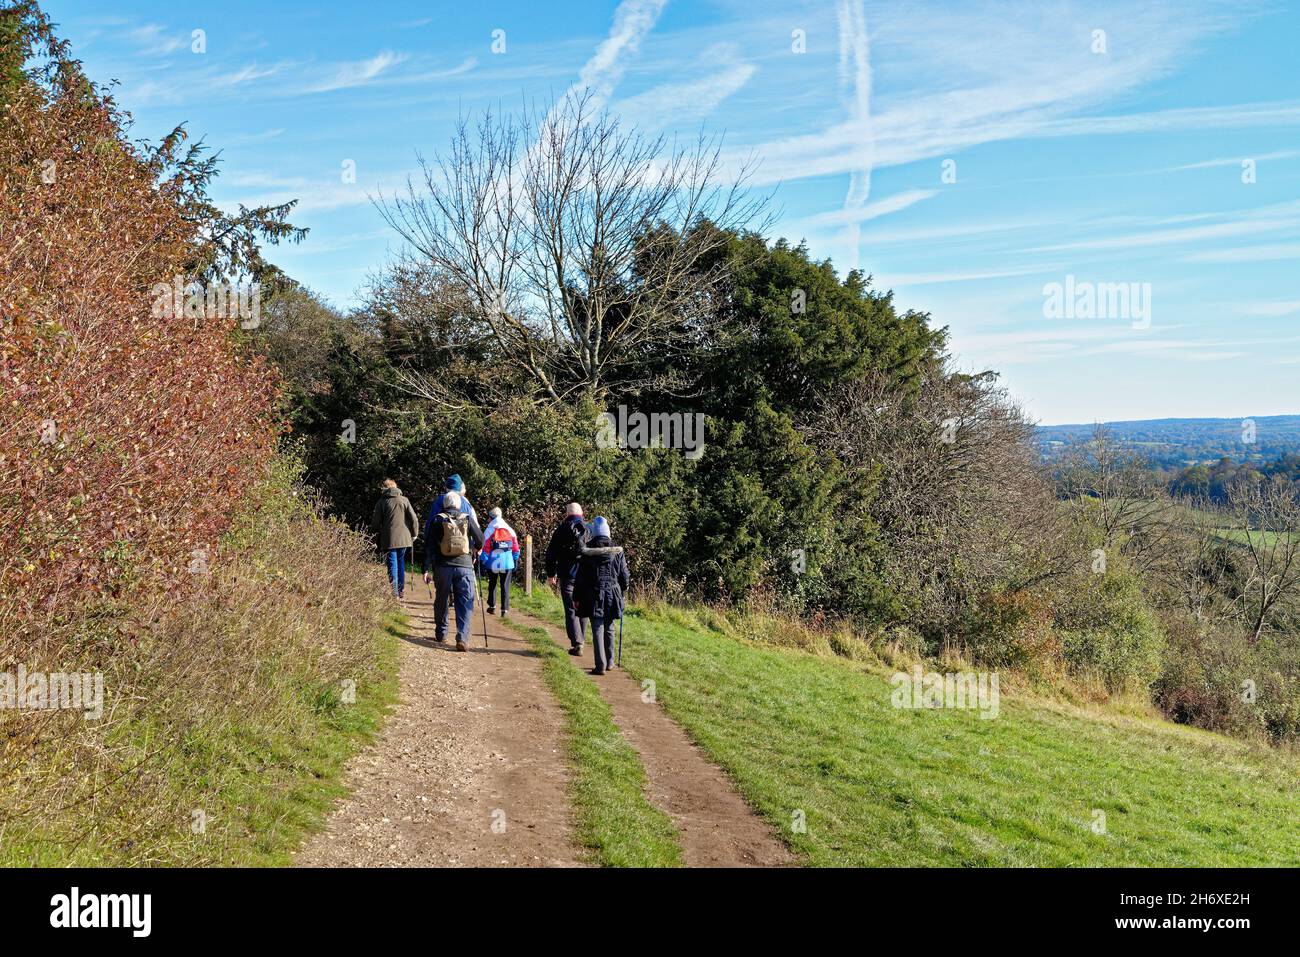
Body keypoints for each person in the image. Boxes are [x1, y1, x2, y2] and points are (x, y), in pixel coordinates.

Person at [422, 490, 484, 651]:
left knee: (441, 599)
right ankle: (462, 637)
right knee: (464, 601)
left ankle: (442, 633)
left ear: (444, 505)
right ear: (458, 504)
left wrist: (426, 569)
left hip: (442, 567)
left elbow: (429, 546)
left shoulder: (438, 520)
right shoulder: (467, 518)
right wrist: (476, 550)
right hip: (464, 566)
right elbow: (481, 540)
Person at [572, 516, 629, 676]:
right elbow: (624, 575)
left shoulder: (587, 550)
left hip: (593, 593)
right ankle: (610, 662)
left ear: (594, 532)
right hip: (612, 592)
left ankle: (600, 665)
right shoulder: (617, 551)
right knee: (609, 626)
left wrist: (576, 597)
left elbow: (580, 578)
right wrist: (623, 588)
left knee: (597, 627)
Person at [545, 502, 588, 656]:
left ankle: (577, 643)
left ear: (567, 514)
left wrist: (551, 574)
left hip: (568, 575)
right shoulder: (588, 529)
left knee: (571, 609)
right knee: (583, 608)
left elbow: (551, 554)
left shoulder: (562, 529)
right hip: (586, 577)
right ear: (581, 513)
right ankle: (581, 638)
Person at [371, 479, 419, 598]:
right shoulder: (404, 500)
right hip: (404, 538)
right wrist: (414, 534)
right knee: (401, 563)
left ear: (384, 488)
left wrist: (374, 535)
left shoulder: (381, 502)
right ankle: (401, 590)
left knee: (392, 564)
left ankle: (395, 593)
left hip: (389, 538)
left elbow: (375, 522)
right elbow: (414, 519)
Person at [480, 507, 520, 617]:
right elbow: (516, 548)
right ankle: (504, 610)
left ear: (490, 517)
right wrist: (515, 559)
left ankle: (492, 606)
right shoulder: (510, 529)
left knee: (492, 583)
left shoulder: (489, 530)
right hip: (507, 562)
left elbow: (485, 548)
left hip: (493, 562)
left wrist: (483, 561)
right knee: (505, 585)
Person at [423, 473, 478, 548]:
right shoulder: (466, 504)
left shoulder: (438, 501)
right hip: (463, 547)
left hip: (441, 547)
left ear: (446, 487)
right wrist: (473, 546)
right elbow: (475, 526)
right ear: (460, 488)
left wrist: (427, 542)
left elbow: (430, 524)